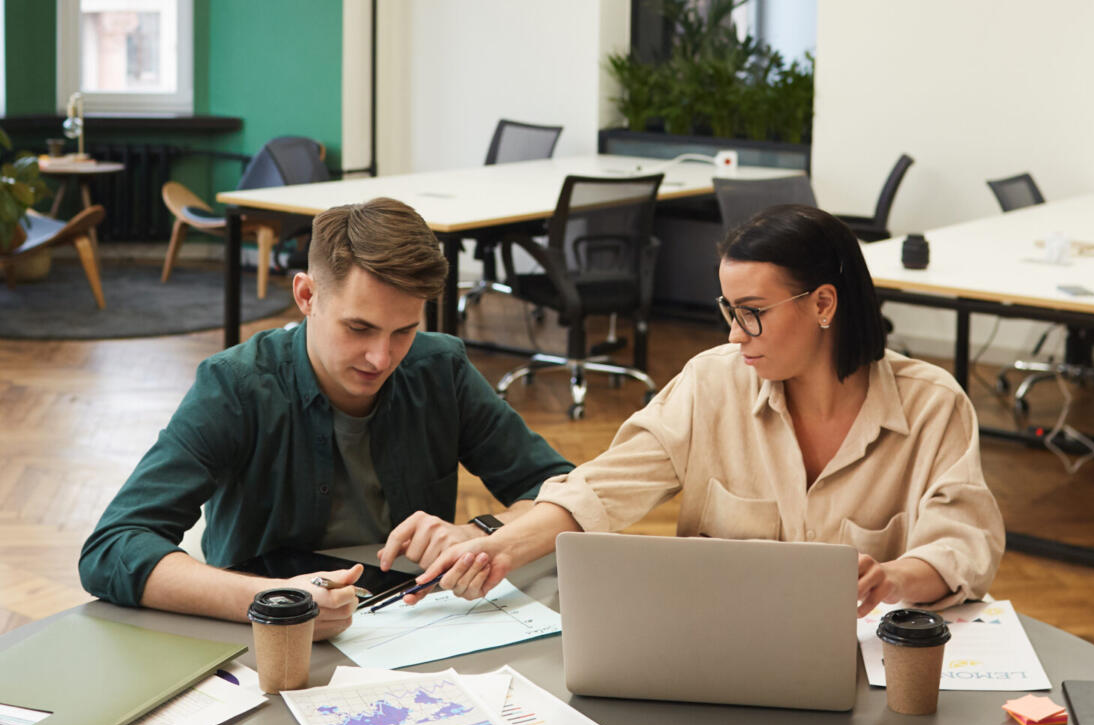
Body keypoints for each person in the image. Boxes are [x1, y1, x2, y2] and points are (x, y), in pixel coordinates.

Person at [388, 203, 1004, 616]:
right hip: (718, 655)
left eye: (752, 311)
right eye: (728, 310)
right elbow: (602, 488)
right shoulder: (713, 382)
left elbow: (963, 545)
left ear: (823, 303)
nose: (735, 335)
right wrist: (499, 549)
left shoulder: (931, 404)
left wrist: (892, 580)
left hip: (865, 666)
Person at [79, 196, 574, 638]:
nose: (380, 358)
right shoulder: (236, 386)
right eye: (359, 328)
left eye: (403, 331)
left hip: (418, 624)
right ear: (306, 296)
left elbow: (565, 491)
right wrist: (272, 602)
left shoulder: (440, 368)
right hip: (270, 635)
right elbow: (113, 547)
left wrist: (484, 531)